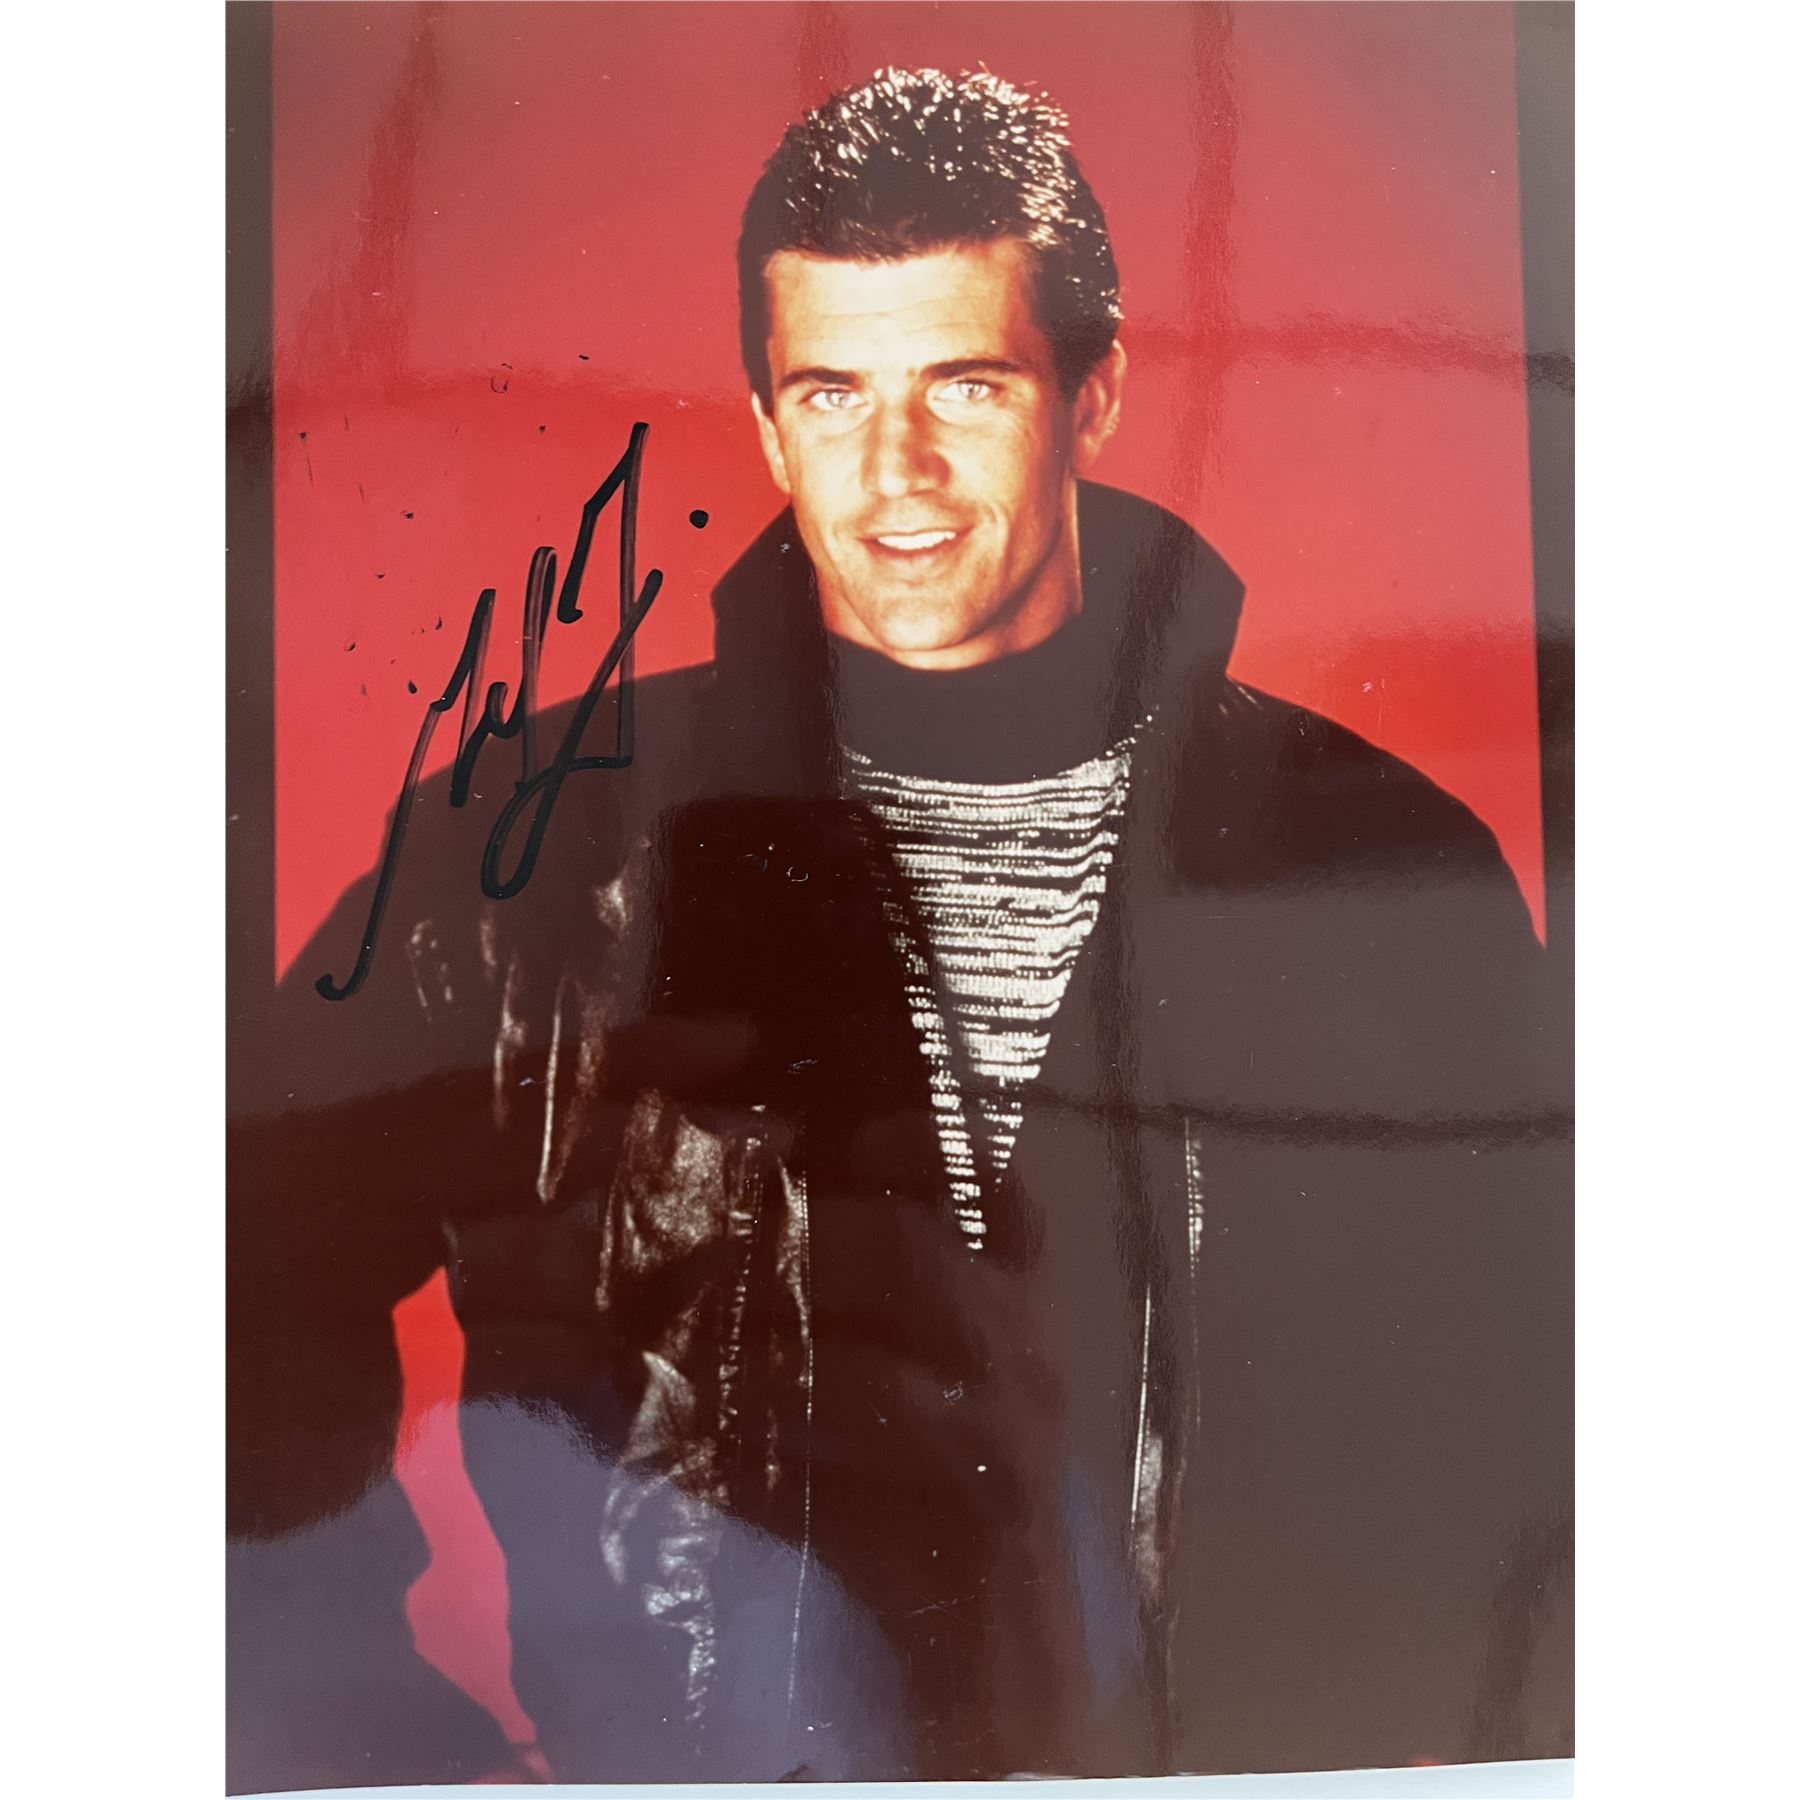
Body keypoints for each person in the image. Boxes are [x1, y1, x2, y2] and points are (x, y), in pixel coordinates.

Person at [229, 67, 1572, 1788]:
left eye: (966, 384)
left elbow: (1554, 1425)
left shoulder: (1382, 859)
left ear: (1093, 395)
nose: (896, 473)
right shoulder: (532, 854)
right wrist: (372, 1745)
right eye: (833, 392)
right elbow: (223, 1288)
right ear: (766, 422)